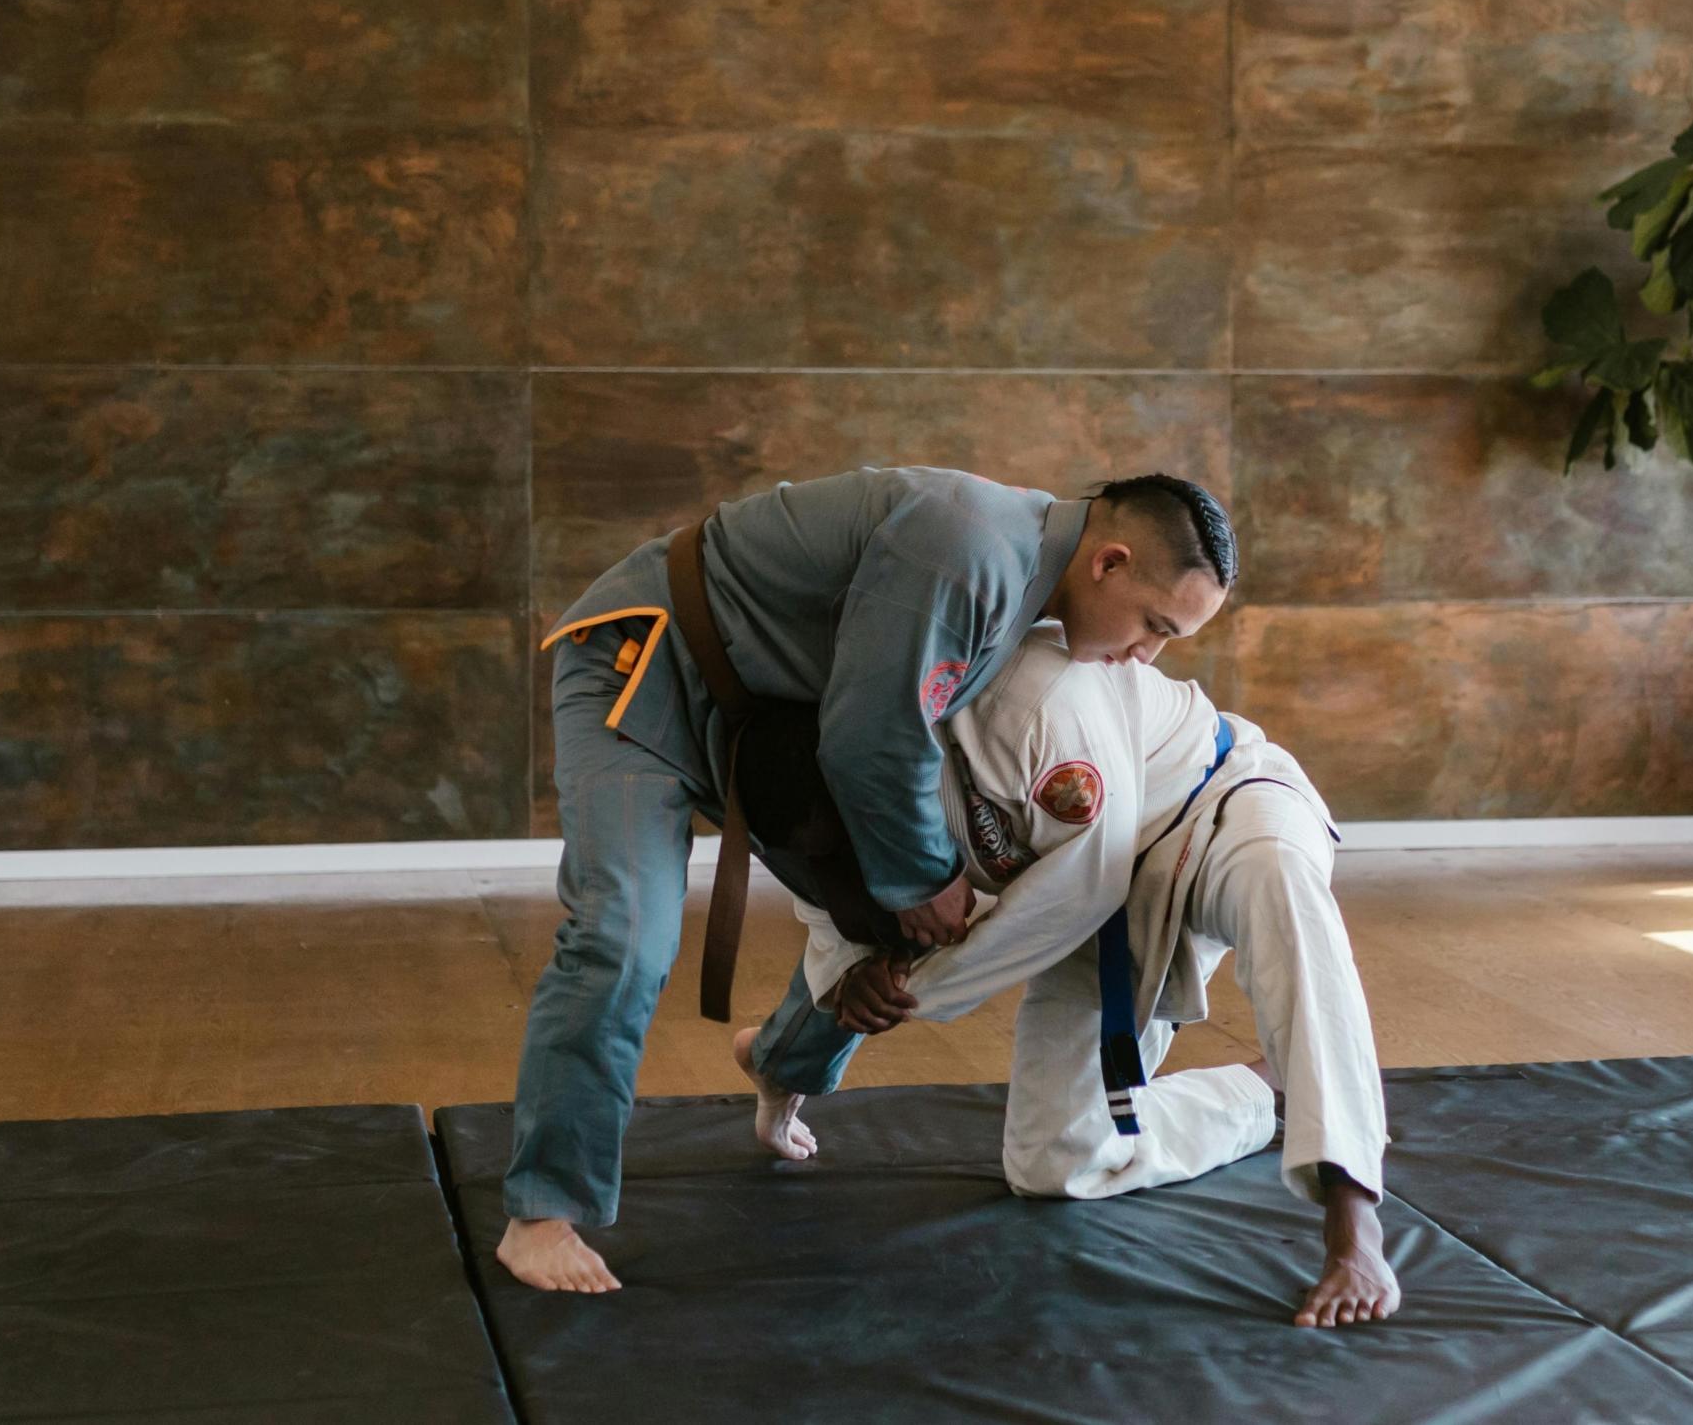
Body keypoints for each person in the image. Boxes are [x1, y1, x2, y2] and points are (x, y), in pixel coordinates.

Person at [499, 467, 1236, 1293]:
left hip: (762, 717)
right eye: (1154, 624)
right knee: (624, 933)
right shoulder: (973, 550)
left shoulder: (1029, 583)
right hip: (644, 669)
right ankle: (542, 1210)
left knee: (887, 930)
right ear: (1109, 562)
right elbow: (872, 741)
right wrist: (925, 879)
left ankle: (781, 1061)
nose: (1148, 654)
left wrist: (920, 894)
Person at [732, 626, 1398, 1328]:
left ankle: (1355, 1222)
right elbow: (833, 923)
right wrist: (840, 992)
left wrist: (909, 986)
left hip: (1214, 803)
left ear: (869, 784)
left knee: (1280, 881)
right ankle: (1267, 1086)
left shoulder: (1023, 703)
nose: (842, 861)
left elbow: (1061, 902)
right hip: (1099, 899)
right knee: (1055, 1164)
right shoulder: (808, 816)